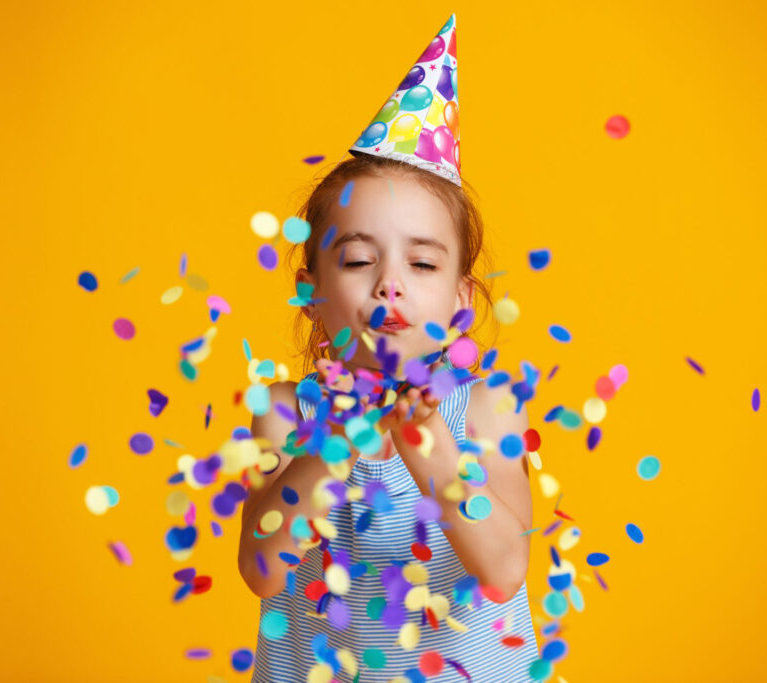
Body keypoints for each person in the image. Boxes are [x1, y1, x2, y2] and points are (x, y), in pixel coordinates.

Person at [239, 14, 541, 682]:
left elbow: (503, 567)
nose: (389, 285)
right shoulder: (287, 412)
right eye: (356, 259)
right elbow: (261, 570)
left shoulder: (487, 409)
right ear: (311, 291)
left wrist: (426, 441)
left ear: (462, 301)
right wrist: (335, 441)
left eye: (423, 264)